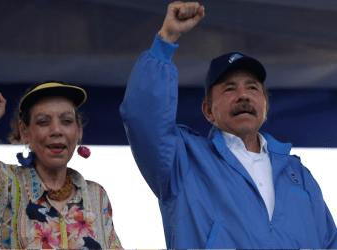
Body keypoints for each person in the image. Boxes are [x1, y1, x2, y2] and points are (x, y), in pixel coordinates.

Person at [120, 1, 337, 249]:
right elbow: (142, 117)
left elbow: (330, 242)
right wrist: (166, 40)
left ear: (265, 106)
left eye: (252, 88)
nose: (243, 95)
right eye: (229, 89)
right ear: (208, 111)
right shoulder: (183, 160)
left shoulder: (297, 173)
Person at [0, 82, 122, 249]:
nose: (57, 130)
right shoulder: (2, 182)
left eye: (66, 121)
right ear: (24, 131)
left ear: (78, 129)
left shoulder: (96, 195)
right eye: (43, 122)